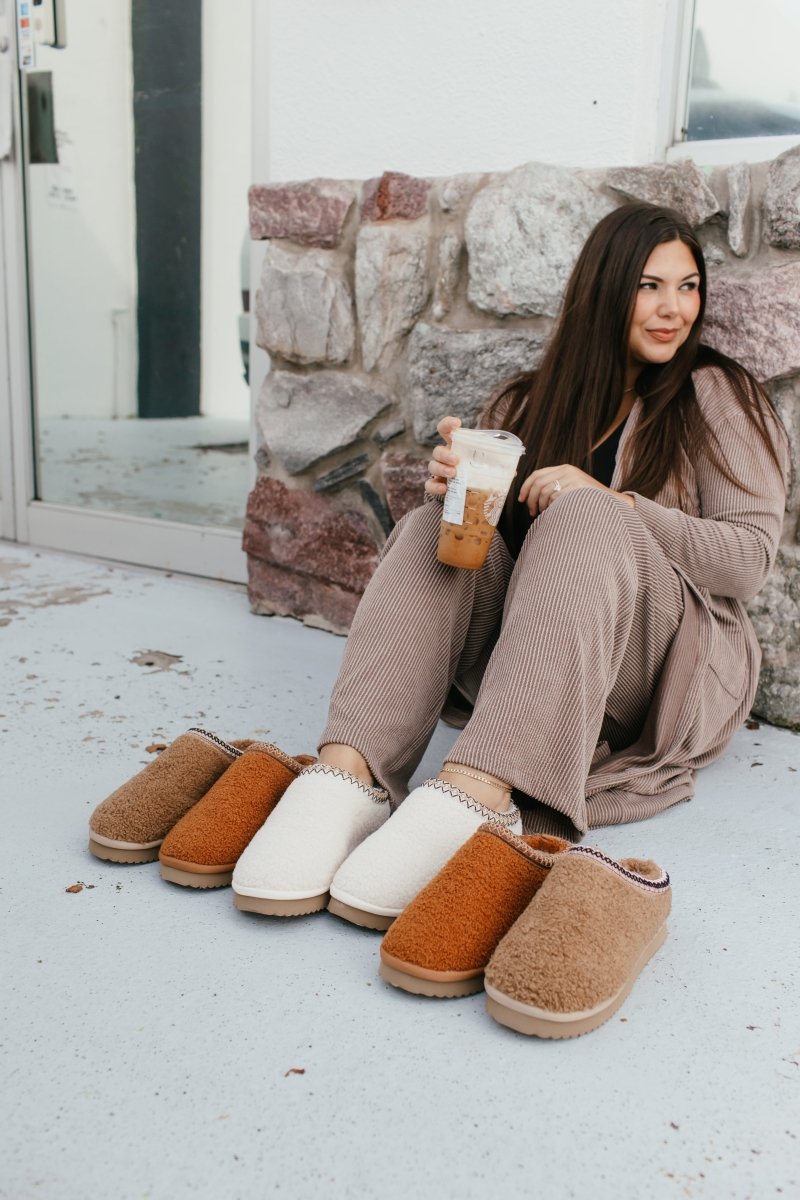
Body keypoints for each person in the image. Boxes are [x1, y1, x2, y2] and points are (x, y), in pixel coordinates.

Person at [231, 201, 788, 928]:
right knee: (438, 525)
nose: (673, 309)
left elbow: (747, 562)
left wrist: (618, 504)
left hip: (658, 663)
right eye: (650, 286)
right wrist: (459, 492)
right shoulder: (528, 399)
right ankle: (350, 773)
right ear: (605, 288)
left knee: (586, 512)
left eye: (688, 288)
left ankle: (481, 790)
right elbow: (500, 559)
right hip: (545, 661)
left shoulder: (714, 393)